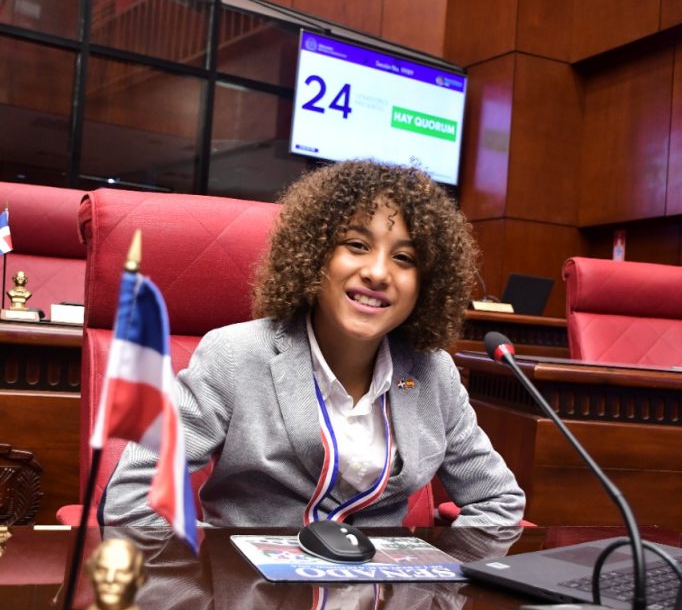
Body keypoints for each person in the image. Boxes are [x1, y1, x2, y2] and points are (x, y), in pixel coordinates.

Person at [102, 160, 525, 529]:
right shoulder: (235, 355)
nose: (378, 272)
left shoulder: (432, 373)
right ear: (315, 255)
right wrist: (216, 578)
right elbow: (133, 500)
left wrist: (434, 587)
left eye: (404, 258)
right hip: (255, 606)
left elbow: (499, 503)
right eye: (356, 246)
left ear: (426, 285)